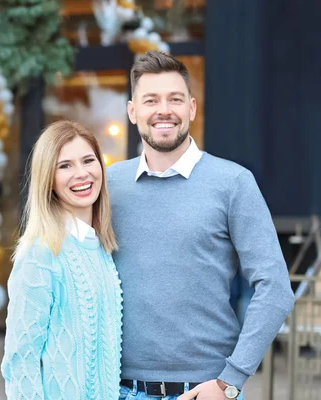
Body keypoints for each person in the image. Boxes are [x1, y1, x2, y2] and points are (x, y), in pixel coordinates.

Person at [107, 51, 295, 400]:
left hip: (205, 390)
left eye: (174, 99)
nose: (164, 110)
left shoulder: (233, 182)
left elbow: (276, 288)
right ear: (133, 111)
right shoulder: (108, 185)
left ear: (191, 108)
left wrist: (230, 380)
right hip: (117, 389)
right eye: (151, 100)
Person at [1, 120, 123, 399]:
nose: (81, 174)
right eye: (65, 166)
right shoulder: (40, 254)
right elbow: (21, 361)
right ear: (49, 180)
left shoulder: (100, 248)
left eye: (88, 161)